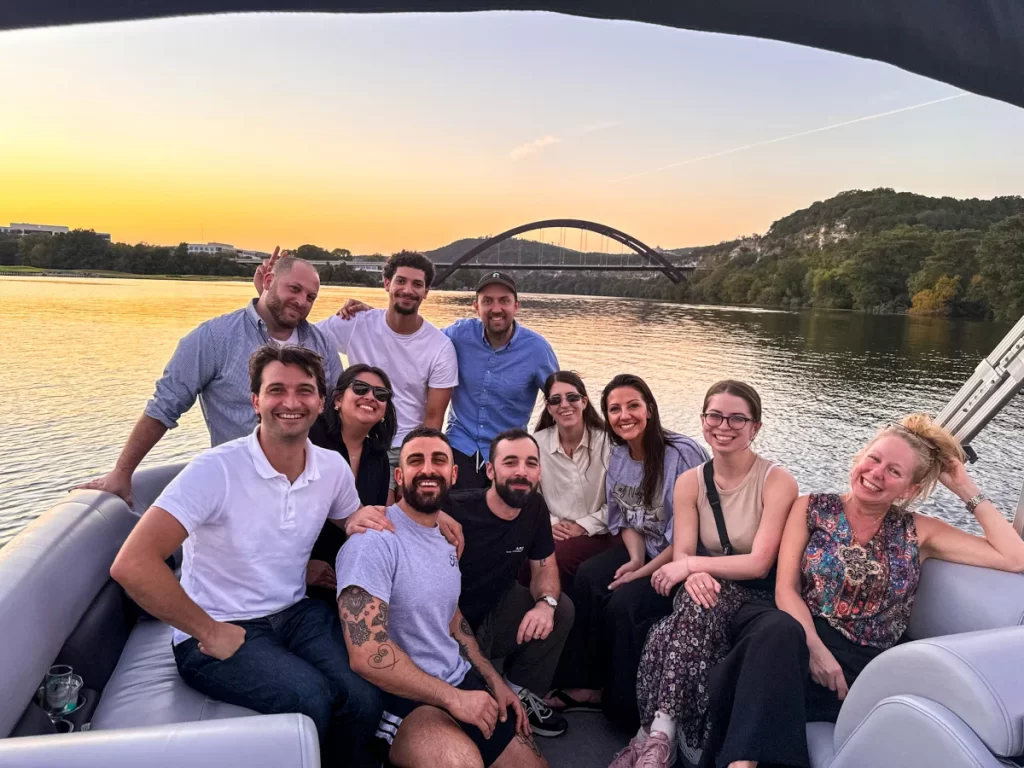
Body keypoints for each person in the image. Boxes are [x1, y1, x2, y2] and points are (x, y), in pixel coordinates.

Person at [109, 344, 387, 767]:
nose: (291, 402)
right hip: (217, 624)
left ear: (319, 402)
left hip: (295, 611)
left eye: (304, 391)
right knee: (308, 697)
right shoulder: (215, 470)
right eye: (277, 390)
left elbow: (351, 517)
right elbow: (132, 563)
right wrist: (207, 629)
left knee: (364, 695)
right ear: (256, 401)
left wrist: (427, 520)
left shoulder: (330, 468)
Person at [699, 414, 1024, 768]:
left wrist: (964, 486)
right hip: (799, 636)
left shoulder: (921, 532)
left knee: (769, 681)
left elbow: (1015, 558)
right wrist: (817, 652)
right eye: (874, 458)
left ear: (909, 490)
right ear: (859, 458)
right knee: (776, 633)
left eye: (894, 471)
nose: (876, 473)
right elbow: (786, 589)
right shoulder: (811, 507)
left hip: (864, 665)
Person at [335, 427, 550, 768]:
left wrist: (494, 682)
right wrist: (453, 700)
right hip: (403, 698)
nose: (428, 469)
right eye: (416, 460)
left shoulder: (447, 538)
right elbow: (366, 654)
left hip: (459, 679)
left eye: (438, 460)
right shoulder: (373, 542)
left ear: (453, 474)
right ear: (399, 475)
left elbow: (453, 620)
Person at [612, 381, 798, 768]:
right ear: (703, 420)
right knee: (659, 603)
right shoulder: (690, 482)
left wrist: (692, 566)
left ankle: (654, 736)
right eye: (715, 415)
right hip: (705, 578)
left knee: (670, 629)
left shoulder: (777, 481)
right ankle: (666, 736)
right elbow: (682, 549)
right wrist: (689, 569)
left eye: (737, 418)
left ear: (755, 427)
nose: (724, 425)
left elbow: (759, 563)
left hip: (752, 591)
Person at [79, 253, 342, 506]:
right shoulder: (214, 339)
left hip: (308, 489)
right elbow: (164, 407)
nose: (301, 301)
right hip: (238, 487)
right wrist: (122, 472)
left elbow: (339, 414)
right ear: (269, 281)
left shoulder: (321, 344)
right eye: (294, 289)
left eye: (311, 297)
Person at [548, 374, 708, 729]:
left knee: (624, 604)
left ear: (649, 409)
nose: (624, 415)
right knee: (590, 577)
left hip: (683, 559)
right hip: (647, 550)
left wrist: (643, 572)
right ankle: (584, 683)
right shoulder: (618, 456)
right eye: (615, 409)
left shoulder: (682, 454)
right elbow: (627, 519)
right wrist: (635, 559)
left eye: (632, 405)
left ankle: (624, 707)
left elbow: (686, 536)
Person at [336, 270, 559, 490]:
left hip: (509, 451)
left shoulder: (537, 350)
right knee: (449, 509)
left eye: (504, 301)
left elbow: (559, 399)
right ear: (476, 306)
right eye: (488, 301)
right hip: (461, 446)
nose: (496, 309)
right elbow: (416, 337)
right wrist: (377, 318)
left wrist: (544, 444)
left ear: (516, 306)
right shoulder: (458, 335)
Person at [257, 250, 459, 487]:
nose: (408, 290)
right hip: (351, 440)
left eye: (417, 284)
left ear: (426, 292)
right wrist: (267, 296)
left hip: (400, 449)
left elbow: (434, 418)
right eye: (401, 281)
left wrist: (415, 462)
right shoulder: (356, 322)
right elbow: (299, 335)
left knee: (386, 518)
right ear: (387, 284)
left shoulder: (440, 347)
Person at [447, 429, 575, 739]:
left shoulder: (535, 508)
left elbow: (545, 566)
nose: (522, 471)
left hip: (497, 611)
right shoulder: (454, 509)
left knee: (561, 609)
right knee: (477, 725)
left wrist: (545, 604)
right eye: (510, 462)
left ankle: (519, 689)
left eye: (531, 463)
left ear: (539, 472)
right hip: (449, 624)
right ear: (490, 470)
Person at [305, 364, 398, 602]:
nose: (370, 397)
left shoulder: (378, 458)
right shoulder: (309, 437)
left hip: (343, 578)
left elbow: (372, 523)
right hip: (290, 575)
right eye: (360, 388)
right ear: (337, 399)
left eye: (381, 394)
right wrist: (301, 567)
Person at [532, 371, 614, 595]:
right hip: (555, 531)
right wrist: (551, 523)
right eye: (555, 400)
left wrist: (583, 526)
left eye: (572, 397)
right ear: (549, 408)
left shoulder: (608, 443)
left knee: (558, 558)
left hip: (602, 532)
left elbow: (620, 503)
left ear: (584, 401)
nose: (564, 404)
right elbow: (531, 497)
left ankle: (563, 622)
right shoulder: (536, 444)